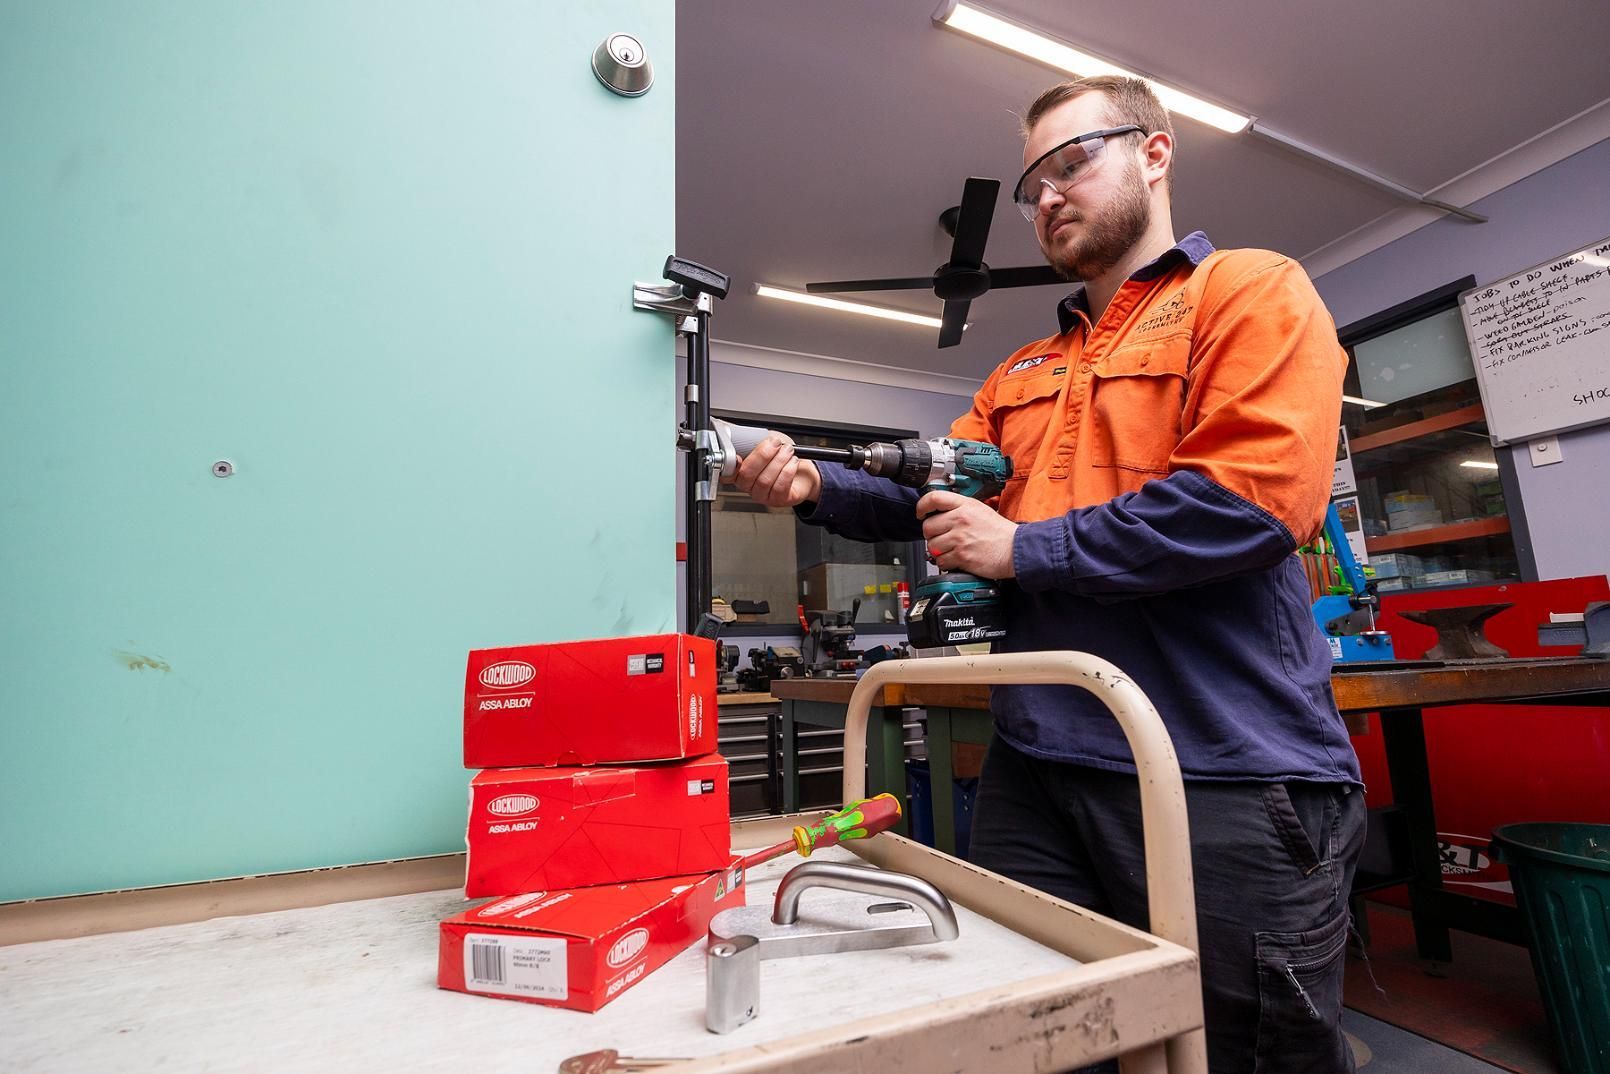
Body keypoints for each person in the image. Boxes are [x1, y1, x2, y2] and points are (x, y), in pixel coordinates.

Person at [734, 74, 1365, 1073]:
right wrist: (813, 482)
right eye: (1032, 185)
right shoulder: (1019, 372)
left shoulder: (1248, 290)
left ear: (1155, 155)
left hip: (1222, 769)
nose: (1046, 198)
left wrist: (1022, 549)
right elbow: (927, 492)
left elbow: (1245, 501)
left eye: (1073, 162)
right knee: (1035, 1036)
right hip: (1041, 757)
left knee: (1242, 1052)